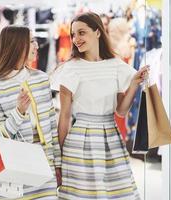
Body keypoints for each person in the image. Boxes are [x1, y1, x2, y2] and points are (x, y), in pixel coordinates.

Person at [53, 12, 148, 199]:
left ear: (97, 32)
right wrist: (59, 159)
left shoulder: (116, 65)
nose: (75, 39)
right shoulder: (70, 68)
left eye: (81, 33)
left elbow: (121, 111)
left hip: (110, 140)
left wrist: (134, 84)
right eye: (73, 34)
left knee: (120, 194)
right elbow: (64, 118)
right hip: (80, 143)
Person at [0, 25, 61, 199]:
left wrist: (58, 164)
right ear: (17, 45)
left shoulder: (41, 78)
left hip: (44, 165)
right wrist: (19, 112)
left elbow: (51, 127)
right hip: (12, 170)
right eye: (31, 41)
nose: (37, 45)